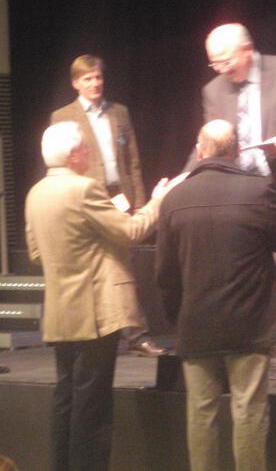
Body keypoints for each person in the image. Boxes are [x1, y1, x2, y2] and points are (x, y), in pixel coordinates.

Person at [25, 121, 179, 471]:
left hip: (60, 311)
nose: (89, 154)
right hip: (95, 310)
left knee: (66, 398)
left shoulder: (35, 193)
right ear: (73, 154)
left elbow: (35, 254)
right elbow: (132, 230)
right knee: (92, 407)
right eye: (85, 148)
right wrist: (158, 201)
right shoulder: (84, 190)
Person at [157, 120, 276, 471]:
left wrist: (178, 317)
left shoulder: (174, 199)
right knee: (249, 410)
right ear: (237, 151)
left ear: (199, 151)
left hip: (196, 322)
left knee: (201, 413)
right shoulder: (258, 190)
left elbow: (165, 274)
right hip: (251, 322)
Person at [189, 23, 276, 343]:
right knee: (245, 276)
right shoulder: (214, 90)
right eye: (214, 63)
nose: (220, 69)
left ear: (247, 50)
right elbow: (209, 142)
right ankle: (253, 347)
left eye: (226, 61)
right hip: (238, 194)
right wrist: (186, 176)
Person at [50, 54, 166, 358]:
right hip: (83, 200)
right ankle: (103, 331)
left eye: (98, 77)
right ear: (75, 83)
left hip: (118, 197)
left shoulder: (119, 112)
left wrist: (139, 202)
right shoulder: (63, 116)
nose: (95, 83)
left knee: (125, 266)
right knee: (97, 266)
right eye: (88, 79)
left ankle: (136, 333)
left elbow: (133, 162)